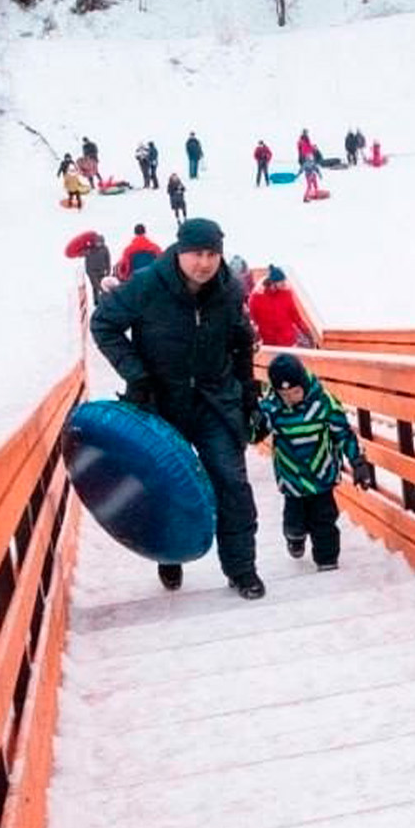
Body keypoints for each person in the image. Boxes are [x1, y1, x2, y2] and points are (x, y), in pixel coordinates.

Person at [90, 217, 264, 599]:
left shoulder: (229, 290)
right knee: (163, 486)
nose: (204, 263)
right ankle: (168, 554)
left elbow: (241, 345)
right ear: (180, 252)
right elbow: (103, 324)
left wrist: (249, 398)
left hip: (216, 402)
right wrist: (137, 375)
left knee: (231, 483)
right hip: (161, 403)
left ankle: (242, 569)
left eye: (212, 254)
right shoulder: (148, 285)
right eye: (196, 254)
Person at [257, 353, 374, 572]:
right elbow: (257, 432)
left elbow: (343, 433)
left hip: (321, 475)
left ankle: (327, 560)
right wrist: (252, 423)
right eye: (285, 394)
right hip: (292, 478)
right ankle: (295, 536)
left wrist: (358, 461)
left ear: (303, 384)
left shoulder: (324, 403)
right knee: (294, 521)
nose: (291, 398)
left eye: (295, 392)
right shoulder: (272, 407)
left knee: (324, 520)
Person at [249, 265, 308, 347]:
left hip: (288, 340)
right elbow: (253, 318)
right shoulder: (256, 296)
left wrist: (306, 331)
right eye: (281, 281)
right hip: (269, 341)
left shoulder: (286, 293)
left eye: (284, 280)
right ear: (273, 282)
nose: (284, 283)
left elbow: (295, 315)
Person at [82, 232, 112, 303]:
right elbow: (83, 254)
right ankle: (97, 302)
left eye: (100, 242)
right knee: (96, 286)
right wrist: (89, 272)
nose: (98, 244)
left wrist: (108, 271)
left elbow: (108, 260)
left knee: (104, 286)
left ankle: (105, 301)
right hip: (92, 272)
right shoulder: (90, 249)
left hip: (102, 271)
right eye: (97, 242)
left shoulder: (105, 249)